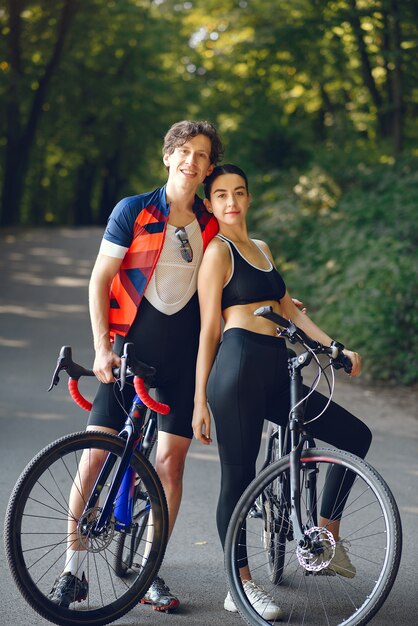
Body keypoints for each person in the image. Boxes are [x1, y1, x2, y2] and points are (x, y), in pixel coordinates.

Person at [48, 120, 223, 611]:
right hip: (128, 352)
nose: (192, 160)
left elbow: (232, 282)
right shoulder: (133, 210)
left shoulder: (211, 224)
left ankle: (150, 572)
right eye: (184, 151)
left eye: (202, 155)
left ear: (209, 168)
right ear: (168, 156)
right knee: (96, 454)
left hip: (181, 360)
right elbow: (100, 279)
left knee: (170, 463)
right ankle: (72, 569)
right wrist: (102, 347)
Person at [192, 164, 372, 620]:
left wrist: (335, 347)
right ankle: (241, 586)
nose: (231, 202)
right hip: (235, 368)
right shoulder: (218, 252)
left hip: (278, 367)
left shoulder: (263, 249)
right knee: (239, 477)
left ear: (249, 198)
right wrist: (199, 400)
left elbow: (290, 310)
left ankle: (325, 541)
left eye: (239, 193)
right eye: (221, 195)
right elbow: (208, 329)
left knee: (356, 437)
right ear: (210, 204)